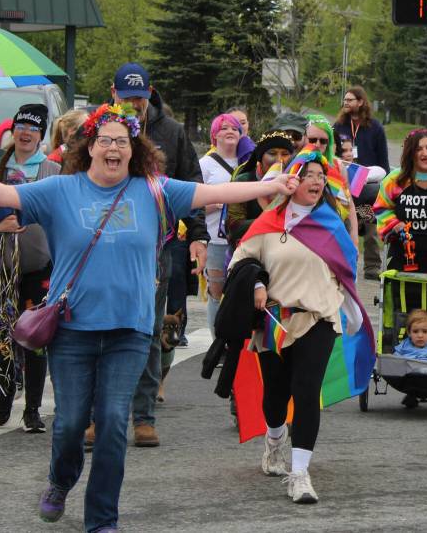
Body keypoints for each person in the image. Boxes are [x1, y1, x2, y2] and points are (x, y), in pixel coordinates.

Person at [0, 103, 300, 531]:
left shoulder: (153, 190)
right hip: (72, 331)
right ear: (90, 147)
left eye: (122, 141)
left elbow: (213, 194)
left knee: (114, 423)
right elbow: (1, 195)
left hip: (130, 332)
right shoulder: (61, 189)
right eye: (105, 140)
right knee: (70, 424)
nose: (113, 148)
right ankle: (60, 481)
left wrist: (272, 183)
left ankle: (101, 519)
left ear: (133, 150)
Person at [230, 151, 365, 505]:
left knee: (306, 393)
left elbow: (347, 269)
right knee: (276, 395)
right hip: (274, 321)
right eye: (308, 175)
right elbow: (241, 260)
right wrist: (257, 285)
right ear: (291, 181)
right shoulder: (268, 223)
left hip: (318, 318)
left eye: (321, 175)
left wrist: (347, 308)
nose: (316, 181)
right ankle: (275, 440)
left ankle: (300, 473)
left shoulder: (331, 224)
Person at [110, 62, 209, 448]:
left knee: (149, 332)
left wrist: (198, 235)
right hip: (108, 246)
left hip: (157, 247)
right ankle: (99, 415)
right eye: (126, 96)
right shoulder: (100, 129)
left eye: (140, 96)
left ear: (150, 93)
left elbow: (192, 185)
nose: (133, 103)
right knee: (103, 329)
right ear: (113, 92)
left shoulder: (171, 131)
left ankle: (144, 416)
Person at [0, 104, 60, 432]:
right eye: (21, 126)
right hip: (0, 263)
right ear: (13, 130)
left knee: (36, 335)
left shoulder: (53, 172)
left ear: (41, 134)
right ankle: (3, 392)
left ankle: (32, 408)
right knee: (1, 330)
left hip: (37, 265)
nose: (25, 133)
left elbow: (60, 217)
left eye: (33, 127)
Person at [374, 129, 427, 273]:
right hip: (403, 256)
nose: (425, 153)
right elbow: (381, 208)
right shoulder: (395, 180)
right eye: (419, 149)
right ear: (411, 154)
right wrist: (394, 224)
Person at [334, 86, 390, 279]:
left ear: (361, 102)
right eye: (345, 100)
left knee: (369, 226)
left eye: (350, 100)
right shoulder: (339, 126)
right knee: (343, 226)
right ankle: (342, 264)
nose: (346, 103)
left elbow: (384, 163)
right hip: (343, 186)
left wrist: (375, 179)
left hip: (366, 188)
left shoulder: (375, 128)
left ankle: (372, 267)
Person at [199, 113, 243, 330]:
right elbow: (193, 204)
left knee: (241, 291)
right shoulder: (205, 165)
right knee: (217, 291)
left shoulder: (247, 162)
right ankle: (218, 345)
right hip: (216, 240)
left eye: (234, 128)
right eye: (224, 128)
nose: (229, 132)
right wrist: (216, 202)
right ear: (214, 135)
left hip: (243, 237)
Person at [225, 130, 296, 246]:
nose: (279, 160)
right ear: (260, 158)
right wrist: (275, 222)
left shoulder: (294, 183)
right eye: (272, 153)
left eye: (285, 154)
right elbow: (234, 227)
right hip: (247, 252)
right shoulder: (243, 182)